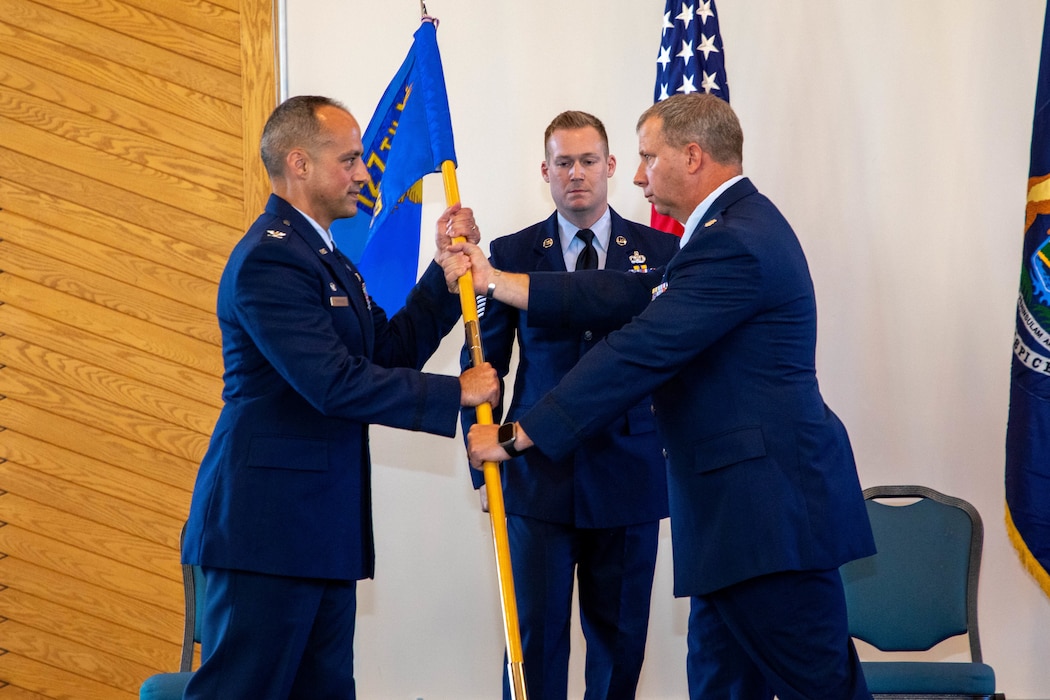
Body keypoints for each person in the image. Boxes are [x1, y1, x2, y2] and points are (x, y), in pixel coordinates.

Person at [448, 93, 875, 700]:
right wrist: (494, 280)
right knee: (719, 684)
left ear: (693, 156)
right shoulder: (727, 234)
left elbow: (637, 350)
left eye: (648, 157)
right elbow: (621, 295)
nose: (640, 176)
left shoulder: (734, 242)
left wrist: (520, 435)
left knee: (821, 686)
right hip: (735, 526)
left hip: (766, 522)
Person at [181, 95, 498, 699]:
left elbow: (385, 352)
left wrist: (443, 275)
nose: (362, 173)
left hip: (321, 529)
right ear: (299, 164)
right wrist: (454, 391)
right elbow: (332, 383)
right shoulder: (270, 259)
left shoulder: (328, 259)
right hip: (266, 530)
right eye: (349, 159)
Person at [462, 111, 679, 699]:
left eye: (588, 161)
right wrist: (484, 468)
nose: (576, 174)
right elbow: (483, 367)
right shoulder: (509, 253)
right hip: (535, 480)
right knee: (532, 644)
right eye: (564, 162)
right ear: (546, 171)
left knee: (618, 645)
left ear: (610, 167)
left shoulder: (662, 249)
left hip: (628, 474)